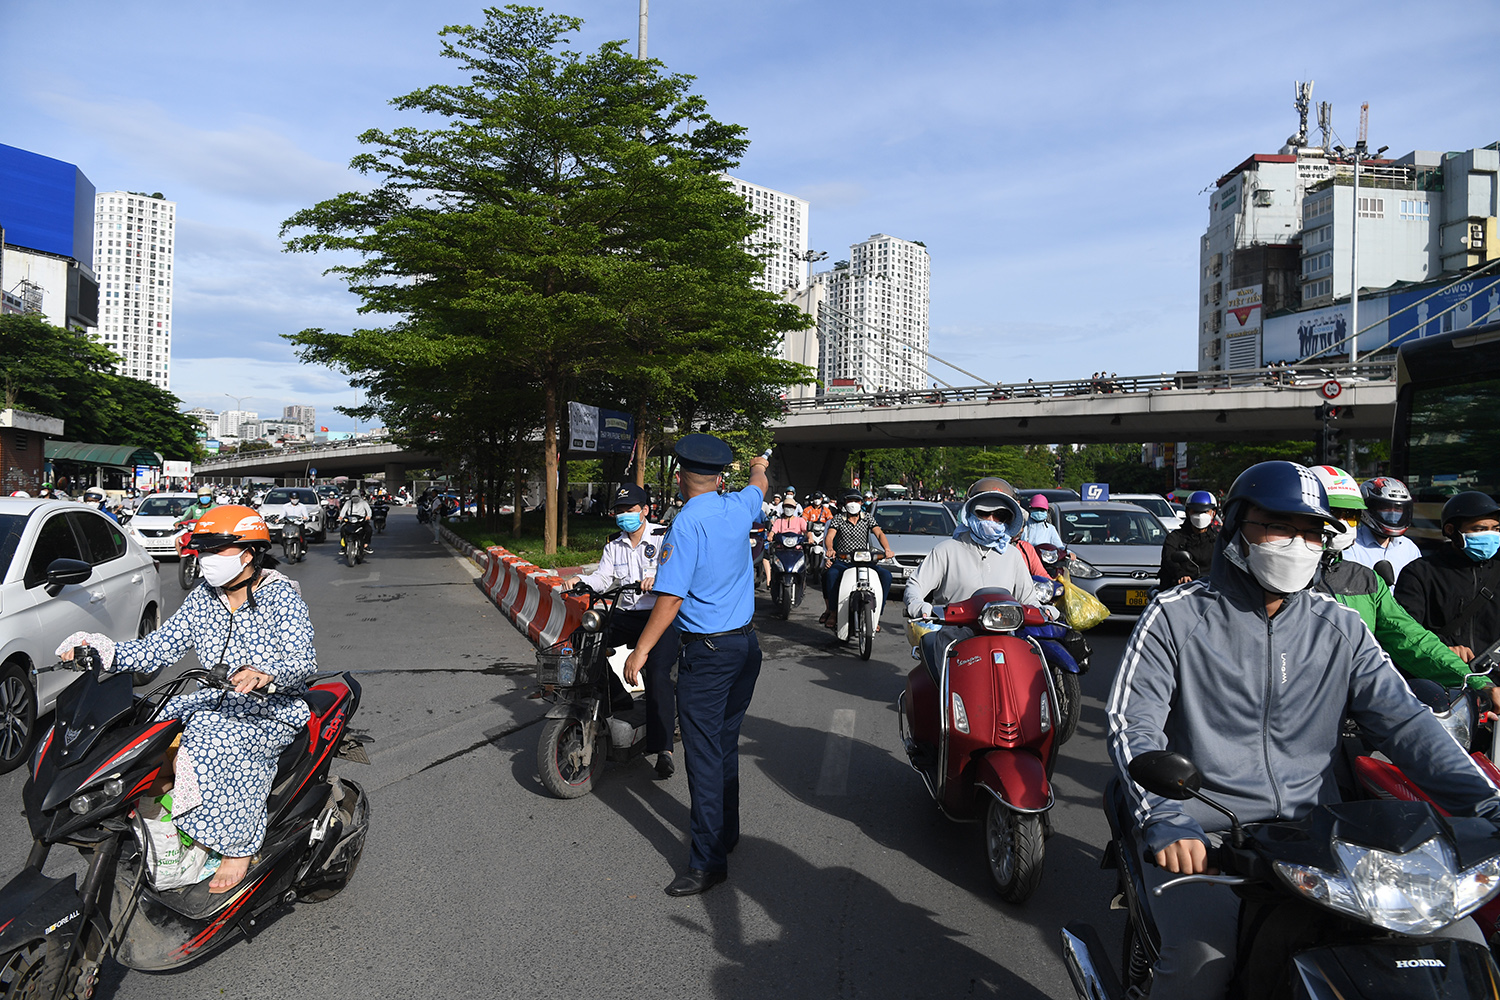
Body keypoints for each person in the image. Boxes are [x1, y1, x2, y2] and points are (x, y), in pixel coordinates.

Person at [1108, 462, 1500, 999]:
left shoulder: (1340, 625)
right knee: (1202, 963)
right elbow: (1134, 727)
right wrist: (1169, 818)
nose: (1297, 543)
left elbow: (1407, 724)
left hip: (1323, 839)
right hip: (1211, 837)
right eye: (1277, 526)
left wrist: (1487, 803)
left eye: (1312, 531)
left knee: (1460, 943)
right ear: (1235, 528)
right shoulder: (1175, 617)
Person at [56, 505, 317, 894]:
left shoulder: (281, 596)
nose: (205, 559)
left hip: (270, 707)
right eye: (203, 550)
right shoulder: (203, 598)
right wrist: (101, 652)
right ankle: (177, 822)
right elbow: (160, 648)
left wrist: (267, 675)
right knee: (145, 733)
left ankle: (237, 847)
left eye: (215, 550)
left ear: (249, 554)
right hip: (213, 700)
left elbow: (303, 660)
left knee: (215, 743)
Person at [622, 433, 767, 896]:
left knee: (703, 755)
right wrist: (760, 462)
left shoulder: (686, 525)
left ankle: (707, 863)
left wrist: (641, 651)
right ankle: (728, 832)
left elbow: (669, 598)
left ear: (681, 477)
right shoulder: (738, 506)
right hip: (746, 648)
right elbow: (760, 483)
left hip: (708, 654)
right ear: (721, 476)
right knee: (723, 744)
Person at [1309, 465, 1492, 701]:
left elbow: (1409, 637)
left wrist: (1476, 681)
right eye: (1334, 513)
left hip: (1355, 701)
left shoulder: (1366, 580)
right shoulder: (1266, 582)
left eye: (1351, 515)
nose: (1343, 524)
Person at [564, 483, 678, 779]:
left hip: (658, 616)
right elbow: (604, 577)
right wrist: (581, 580)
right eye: (619, 510)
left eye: (630, 509)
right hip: (627, 613)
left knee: (657, 672)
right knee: (584, 641)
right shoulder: (614, 544)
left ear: (645, 510)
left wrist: (656, 577)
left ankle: (663, 748)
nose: (624, 515)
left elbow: (676, 571)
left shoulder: (664, 536)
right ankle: (620, 699)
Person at [903, 478, 1053, 619]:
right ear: (970, 513)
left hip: (1002, 636)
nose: (991, 520)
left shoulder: (1013, 555)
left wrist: (1042, 610)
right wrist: (917, 605)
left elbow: (1028, 599)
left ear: (1009, 519)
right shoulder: (947, 551)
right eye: (983, 513)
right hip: (952, 637)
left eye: (1000, 515)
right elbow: (916, 585)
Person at [1396, 491, 1500, 664]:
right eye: (1479, 529)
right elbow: (1406, 633)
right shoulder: (1420, 573)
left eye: (1496, 529)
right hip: (1442, 675)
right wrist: (1441, 649)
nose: (1490, 536)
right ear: (1451, 530)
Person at [821, 489, 895, 629]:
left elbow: (879, 533)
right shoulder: (838, 519)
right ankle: (833, 612)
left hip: (864, 561)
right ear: (845, 503)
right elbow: (830, 536)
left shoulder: (867, 517)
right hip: (844, 561)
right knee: (831, 575)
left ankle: (876, 614)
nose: (853, 504)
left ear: (861, 503)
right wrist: (830, 548)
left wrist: (887, 549)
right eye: (850, 501)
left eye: (856, 501)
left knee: (886, 576)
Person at [1341, 476, 1420, 583]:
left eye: (1398, 509)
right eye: (1385, 508)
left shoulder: (1410, 548)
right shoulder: (1350, 546)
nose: (1393, 513)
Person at [1158, 490, 1218, 584]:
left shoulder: (1218, 539)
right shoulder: (1175, 537)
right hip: (1179, 589)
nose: (1200, 516)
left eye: (1205, 512)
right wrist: (1181, 574)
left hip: (1210, 590)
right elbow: (1168, 558)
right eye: (1195, 511)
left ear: (1213, 513)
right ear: (1188, 512)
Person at [765, 495, 812, 590]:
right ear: (783, 508)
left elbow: (807, 531)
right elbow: (773, 531)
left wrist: (810, 538)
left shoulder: (800, 520)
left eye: (791, 507)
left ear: (794, 508)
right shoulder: (779, 521)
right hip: (781, 549)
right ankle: (772, 581)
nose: (788, 509)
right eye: (786, 506)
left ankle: (802, 580)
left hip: (796, 550)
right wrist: (770, 536)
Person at [339, 488, 375, 553]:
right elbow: (343, 510)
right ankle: (344, 546)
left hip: (361, 521)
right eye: (353, 496)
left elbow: (369, 510)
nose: (355, 498)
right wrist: (341, 517)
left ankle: (366, 545)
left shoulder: (363, 503)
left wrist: (368, 516)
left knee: (369, 530)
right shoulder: (348, 503)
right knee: (343, 530)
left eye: (356, 496)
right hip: (350, 521)